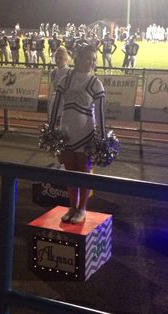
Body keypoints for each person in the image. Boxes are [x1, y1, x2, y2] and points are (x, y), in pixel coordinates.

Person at [49, 45, 106, 224]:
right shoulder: (65, 80)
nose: (91, 62)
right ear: (77, 58)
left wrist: (102, 138)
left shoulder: (95, 83)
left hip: (86, 135)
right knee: (70, 174)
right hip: (66, 134)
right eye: (88, 58)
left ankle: (82, 208)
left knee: (84, 173)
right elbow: (55, 107)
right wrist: (51, 131)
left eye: (94, 59)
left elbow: (100, 113)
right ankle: (72, 206)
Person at [47, 46, 70, 122]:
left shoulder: (70, 73)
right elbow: (51, 90)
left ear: (65, 58)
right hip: (55, 102)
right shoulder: (54, 72)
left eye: (60, 58)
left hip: (65, 104)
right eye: (56, 58)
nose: (57, 60)